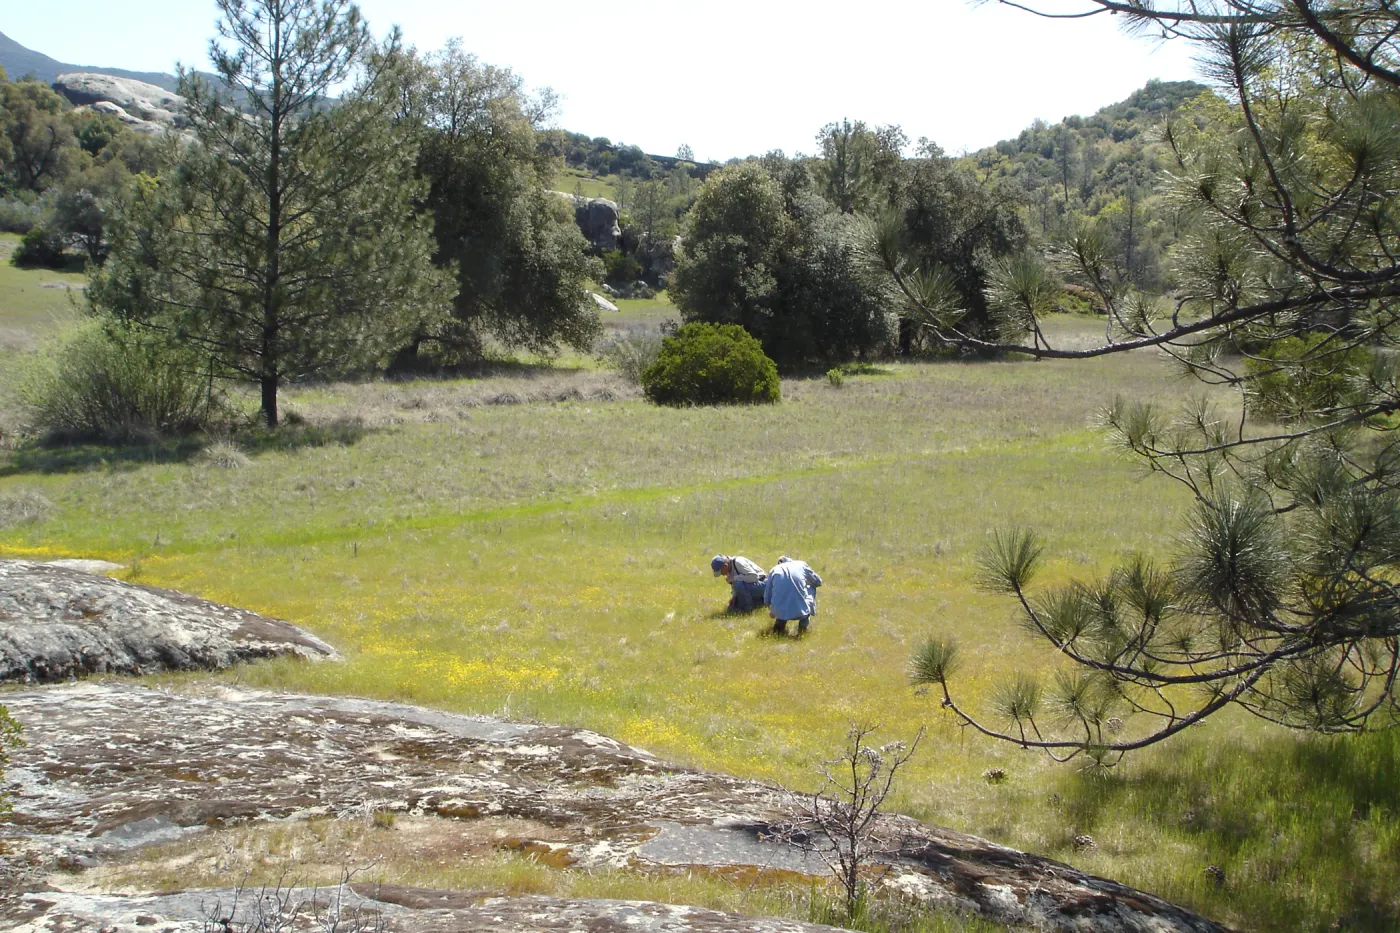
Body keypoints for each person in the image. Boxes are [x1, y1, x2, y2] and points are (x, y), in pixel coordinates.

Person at [764, 556, 823, 635]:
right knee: (811, 587)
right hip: (801, 612)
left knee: (782, 594)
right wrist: (806, 583)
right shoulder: (801, 564)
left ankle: (779, 626)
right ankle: (802, 628)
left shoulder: (774, 570)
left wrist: (771, 609)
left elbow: (767, 594)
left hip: (778, 612)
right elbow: (818, 582)